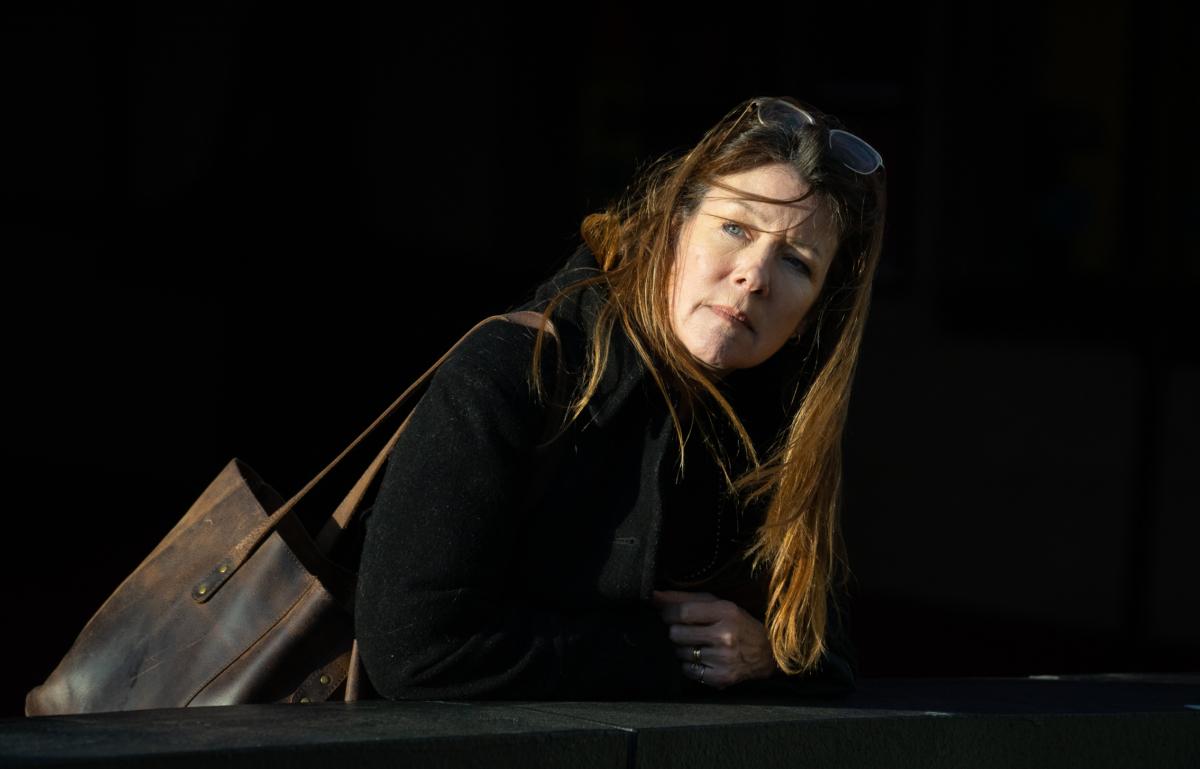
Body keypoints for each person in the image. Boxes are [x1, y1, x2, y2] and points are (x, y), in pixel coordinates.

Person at [354, 96, 886, 700]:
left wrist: (767, 655)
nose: (754, 275)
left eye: (796, 262)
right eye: (735, 227)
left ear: (815, 310)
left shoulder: (776, 425)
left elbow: (827, 649)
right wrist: (668, 660)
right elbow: (416, 652)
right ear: (672, 225)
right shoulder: (516, 371)